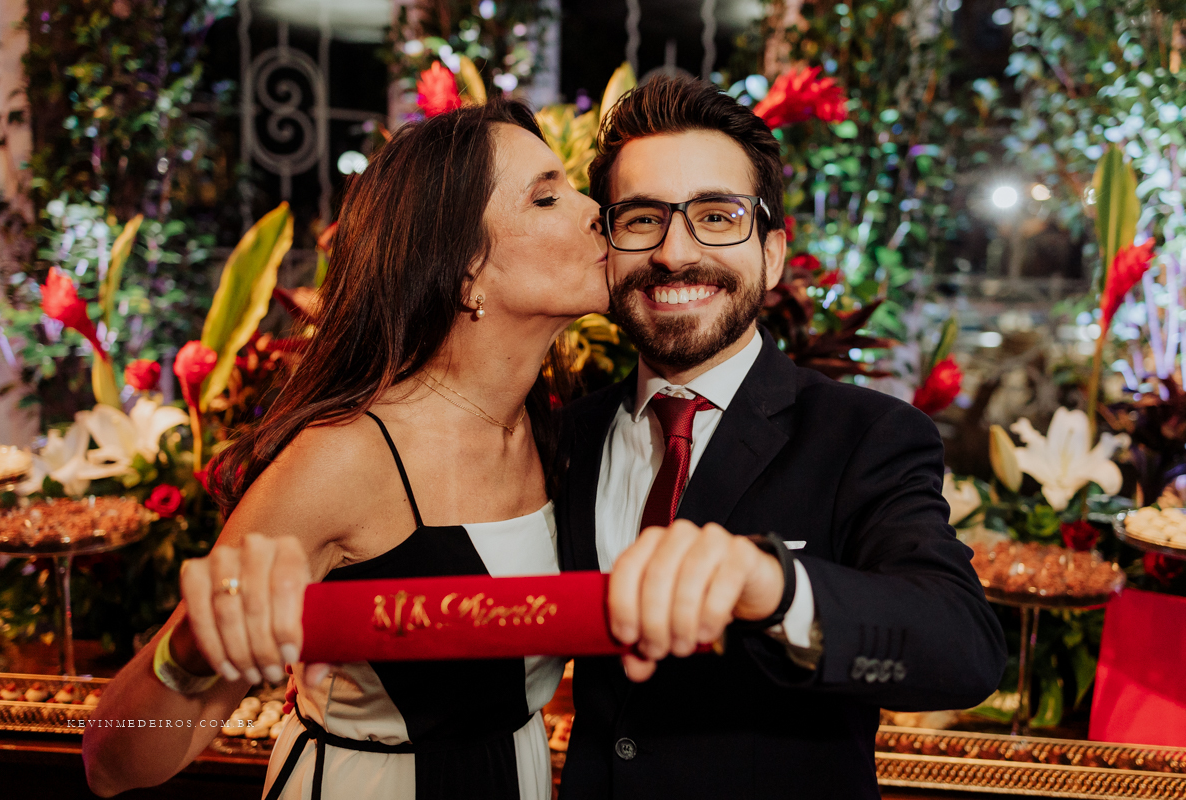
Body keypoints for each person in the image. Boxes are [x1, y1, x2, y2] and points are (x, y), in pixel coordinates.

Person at [82, 99, 609, 800]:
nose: (593, 208)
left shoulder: (558, 433)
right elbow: (116, 762)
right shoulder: (344, 460)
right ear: (465, 273)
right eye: (546, 197)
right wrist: (188, 655)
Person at [554, 77, 1007, 799]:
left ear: (771, 255)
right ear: (606, 246)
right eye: (642, 219)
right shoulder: (563, 436)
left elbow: (963, 648)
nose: (674, 252)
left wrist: (776, 588)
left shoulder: (868, 435)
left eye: (716, 215)